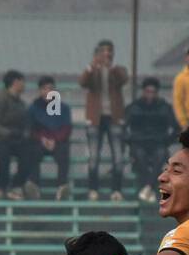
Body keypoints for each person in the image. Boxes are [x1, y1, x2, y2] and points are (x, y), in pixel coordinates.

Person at [78, 40, 128, 201]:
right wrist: (92, 66)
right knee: (93, 156)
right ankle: (93, 189)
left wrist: (111, 68)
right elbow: (83, 82)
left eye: (109, 51)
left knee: (118, 156)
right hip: (95, 118)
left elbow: (123, 79)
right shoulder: (93, 71)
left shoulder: (117, 70)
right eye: (103, 51)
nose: (106, 54)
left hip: (113, 117)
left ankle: (116, 190)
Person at [123, 77, 179, 203]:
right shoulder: (134, 107)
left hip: (158, 143)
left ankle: (146, 187)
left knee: (161, 155)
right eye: (148, 91)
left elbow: (176, 129)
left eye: (153, 92)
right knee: (139, 155)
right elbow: (123, 128)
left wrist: (166, 141)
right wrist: (131, 140)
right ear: (143, 91)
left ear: (157, 93)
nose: (150, 95)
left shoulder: (164, 107)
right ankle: (150, 189)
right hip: (139, 143)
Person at [0, 69, 34, 200]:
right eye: (22, 82)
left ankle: (16, 186)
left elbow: (26, 123)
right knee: (4, 154)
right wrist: (8, 133)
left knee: (28, 153)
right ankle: (0, 187)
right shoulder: (0, 99)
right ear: (15, 82)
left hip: (16, 140)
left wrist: (25, 133)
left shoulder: (21, 103)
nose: (24, 85)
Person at [28, 75, 72, 199]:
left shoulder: (64, 108)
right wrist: (42, 139)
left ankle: (62, 186)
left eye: (51, 88)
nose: (48, 92)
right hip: (39, 141)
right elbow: (31, 129)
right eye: (45, 89)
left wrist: (55, 140)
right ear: (40, 91)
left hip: (57, 141)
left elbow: (66, 128)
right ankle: (34, 186)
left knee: (64, 151)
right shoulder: (33, 108)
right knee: (31, 151)